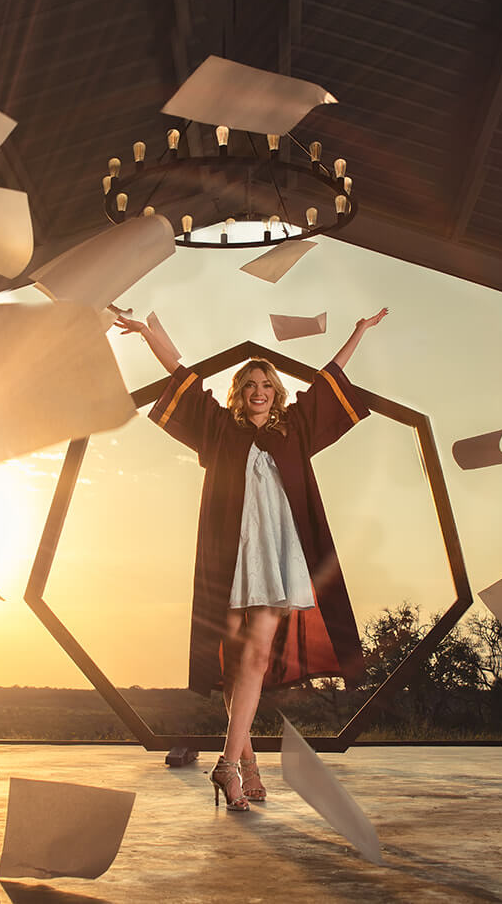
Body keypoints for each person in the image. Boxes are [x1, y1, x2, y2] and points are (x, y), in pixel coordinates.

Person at [115, 307, 389, 811]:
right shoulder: (220, 429)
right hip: (231, 557)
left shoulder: (295, 429)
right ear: (238, 394)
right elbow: (182, 375)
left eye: (266, 383)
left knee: (257, 658)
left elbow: (329, 381)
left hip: (278, 557)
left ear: (276, 391)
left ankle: (226, 763)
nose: (258, 391)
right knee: (238, 662)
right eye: (249, 385)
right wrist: (149, 333)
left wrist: (358, 333)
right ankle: (246, 763)